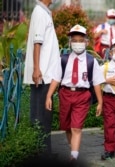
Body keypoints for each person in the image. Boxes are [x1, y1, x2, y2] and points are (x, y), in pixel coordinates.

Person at [45, 24, 105, 163]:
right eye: (75, 40)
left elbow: (96, 82)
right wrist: (49, 95)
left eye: (81, 40)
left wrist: (100, 103)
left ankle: (74, 156)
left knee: (76, 127)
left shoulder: (91, 61)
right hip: (65, 94)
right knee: (67, 127)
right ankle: (73, 148)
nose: (78, 43)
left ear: (86, 42)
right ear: (70, 42)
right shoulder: (63, 59)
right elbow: (56, 78)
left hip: (82, 96)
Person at [23, 0, 60, 156]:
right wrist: (37, 69)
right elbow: (37, 43)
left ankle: (45, 153)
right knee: (40, 119)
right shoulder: (39, 12)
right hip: (42, 76)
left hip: (46, 76)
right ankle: (41, 155)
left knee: (44, 118)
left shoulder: (44, 12)